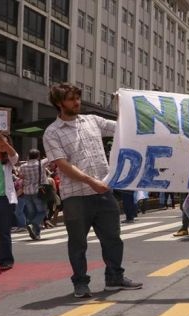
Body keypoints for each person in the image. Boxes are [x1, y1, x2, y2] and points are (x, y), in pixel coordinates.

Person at [42, 83, 142, 298]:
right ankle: (80, 282)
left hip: (103, 192)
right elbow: (62, 164)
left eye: (78, 97)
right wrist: (90, 181)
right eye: (71, 99)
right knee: (78, 242)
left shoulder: (92, 120)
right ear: (59, 103)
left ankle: (114, 277)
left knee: (113, 238)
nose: (77, 102)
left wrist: (123, 105)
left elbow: (123, 127)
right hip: (76, 197)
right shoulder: (52, 132)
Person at [0, 132, 18, 270]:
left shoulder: (8, 160)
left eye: (2, 142)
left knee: (4, 232)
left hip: (3, 199)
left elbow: (15, 156)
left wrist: (4, 143)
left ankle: (6, 260)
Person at [19, 149, 49, 240]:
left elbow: (20, 176)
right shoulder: (41, 163)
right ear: (38, 156)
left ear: (28, 156)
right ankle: (33, 223)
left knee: (32, 211)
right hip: (39, 191)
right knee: (42, 211)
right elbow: (51, 157)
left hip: (27, 191)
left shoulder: (23, 166)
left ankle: (36, 233)